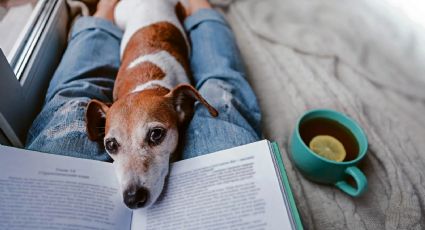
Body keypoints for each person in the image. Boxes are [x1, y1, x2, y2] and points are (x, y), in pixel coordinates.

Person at [26, 0, 262, 162]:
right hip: (135, 11)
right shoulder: (117, 102)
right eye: (112, 145)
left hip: (162, 9)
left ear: (182, 107)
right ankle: (200, 7)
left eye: (155, 136)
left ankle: (105, 12)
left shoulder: (177, 101)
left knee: (73, 93)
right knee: (221, 84)